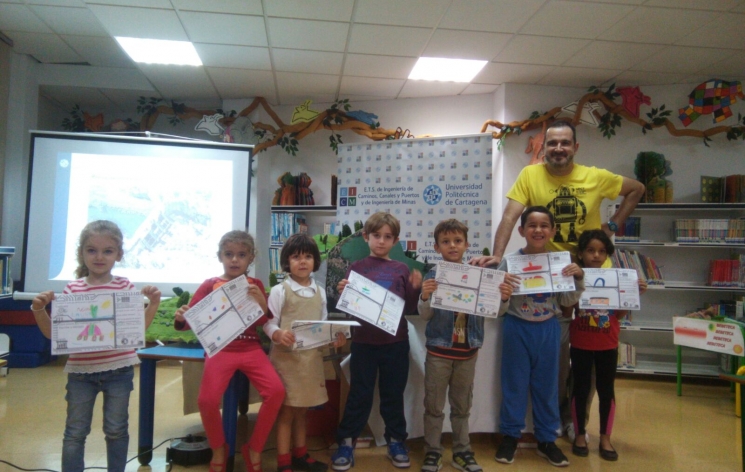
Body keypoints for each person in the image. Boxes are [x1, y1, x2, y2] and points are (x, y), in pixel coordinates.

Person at [471, 120, 645, 438]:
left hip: (592, 274)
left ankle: (579, 424)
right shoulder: (530, 175)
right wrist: (497, 255)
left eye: (565, 143)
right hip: (551, 279)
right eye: (552, 143)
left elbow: (637, 189)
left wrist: (614, 226)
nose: (559, 148)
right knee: (560, 355)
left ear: (575, 147)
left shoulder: (596, 176)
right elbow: (511, 216)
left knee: (593, 356)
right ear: (544, 147)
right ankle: (559, 415)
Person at [31, 220, 162, 472]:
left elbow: (135, 330)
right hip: (81, 373)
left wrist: (153, 304)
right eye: (91, 250)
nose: (99, 257)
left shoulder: (124, 286)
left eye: (108, 251)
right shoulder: (72, 289)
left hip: (119, 371)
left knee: (116, 430)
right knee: (75, 432)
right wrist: (38, 310)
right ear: (82, 253)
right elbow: (54, 335)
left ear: (118, 254)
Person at [174, 230, 285, 472]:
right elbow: (191, 321)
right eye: (229, 254)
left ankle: (254, 448)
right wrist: (182, 317)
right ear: (220, 257)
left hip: (250, 348)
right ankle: (218, 448)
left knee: (276, 392)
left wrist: (263, 305)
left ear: (251, 258)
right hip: (220, 349)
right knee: (206, 400)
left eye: (241, 255)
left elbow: (263, 322)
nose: (235, 260)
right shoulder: (209, 285)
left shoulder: (254, 284)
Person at [418, 219, 515, 472]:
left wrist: (503, 298)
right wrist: (425, 296)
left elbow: (496, 311)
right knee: (434, 407)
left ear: (466, 245)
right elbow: (425, 316)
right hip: (438, 352)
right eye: (446, 242)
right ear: (437, 247)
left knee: (462, 407)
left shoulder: (481, 276)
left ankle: (462, 451)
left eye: (457, 241)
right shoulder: (433, 275)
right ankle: (432, 451)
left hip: (467, 353)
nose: (452, 246)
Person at [493, 207, 585, 468]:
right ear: (521, 231)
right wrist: (504, 292)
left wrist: (578, 278)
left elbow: (567, 300)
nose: (538, 230)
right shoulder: (509, 263)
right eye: (532, 225)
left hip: (548, 327)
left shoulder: (560, 263)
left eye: (544, 225)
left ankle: (546, 439)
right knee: (514, 384)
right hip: (516, 327)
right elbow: (497, 308)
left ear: (553, 231)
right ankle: (511, 436)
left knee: (547, 387)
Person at [331, 212, 423, 471]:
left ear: (395, 240)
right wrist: (343, 293)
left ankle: (396, 441)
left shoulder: (402, 269)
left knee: (393, 395)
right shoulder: (357, 268)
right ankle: (347, 442)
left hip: (396, 343)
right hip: (364, 343)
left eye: (387, 237)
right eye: (376, 236)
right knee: (359, 394)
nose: (381, 241)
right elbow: (351, 310)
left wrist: (415, 288)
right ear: (366, 237)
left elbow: (410, 308)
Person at [264, 234, 346, 472]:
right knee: (288, 412)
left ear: (315, 261)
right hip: (286, 361)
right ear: (286, 261)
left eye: (308, 256)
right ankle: (283, 461)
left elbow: (323, 326)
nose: (302, 262)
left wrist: (335, 338)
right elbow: (269, 323)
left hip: (310, 361)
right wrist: (278, 333)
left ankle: (300, 454)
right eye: (296, 257)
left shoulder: (320, 292)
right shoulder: (280, 290)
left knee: (303, 411)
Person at [564, 230, 647, 461]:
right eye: (590, 250)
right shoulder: (576, 277)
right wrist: (570, 286)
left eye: (601, 251)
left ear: (607, 254)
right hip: (580, 342)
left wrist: (634, 293)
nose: (596, 255)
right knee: (580, 389)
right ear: (580, 253)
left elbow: (618, 315)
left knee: (606, 390)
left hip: (607, 344)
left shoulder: (615, 278)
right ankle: (580, 434)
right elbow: (566, 311)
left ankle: (605, 438)